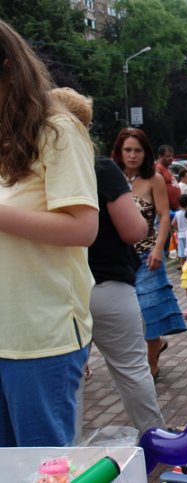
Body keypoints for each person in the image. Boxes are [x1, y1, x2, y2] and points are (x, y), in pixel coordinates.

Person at [0, 20, 99, 446]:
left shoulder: (57, 129)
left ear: (7, 70)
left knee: (42, 469)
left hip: (40, 339)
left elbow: (83, 227)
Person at [50, 87, 166, 434]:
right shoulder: (100, 168)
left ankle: (66, 457)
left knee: (70, 377)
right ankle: (156, 442)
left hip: (59, 290)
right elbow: (133, 231)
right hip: (108, 286)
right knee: (131, 368)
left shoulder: (37, 168)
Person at [111, 128, 187, 381]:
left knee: (148, 309)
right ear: (119, 152)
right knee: (124, 312)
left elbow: (165, 215)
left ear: (146, 153)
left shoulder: (154, 179)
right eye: (127, 150)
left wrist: (158, 249)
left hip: (147, 255)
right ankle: (153, 345)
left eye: (138, 150)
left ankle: (151, 360)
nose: (132, 155)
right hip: (117, 257)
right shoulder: (111, 177)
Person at [155, 144, 181, 211]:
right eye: (168, 156)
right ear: (160, 156)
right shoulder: (158, 169)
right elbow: (158, 190)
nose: (171, 158)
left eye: (172, 156)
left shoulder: (166, 168)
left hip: (174, 208)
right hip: (167, 209)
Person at [172, 194, 187, 269]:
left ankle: (181, 264)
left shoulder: (177, 213)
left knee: (181, 250)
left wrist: (178, 229)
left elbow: (173, 224)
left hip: (181, 235)